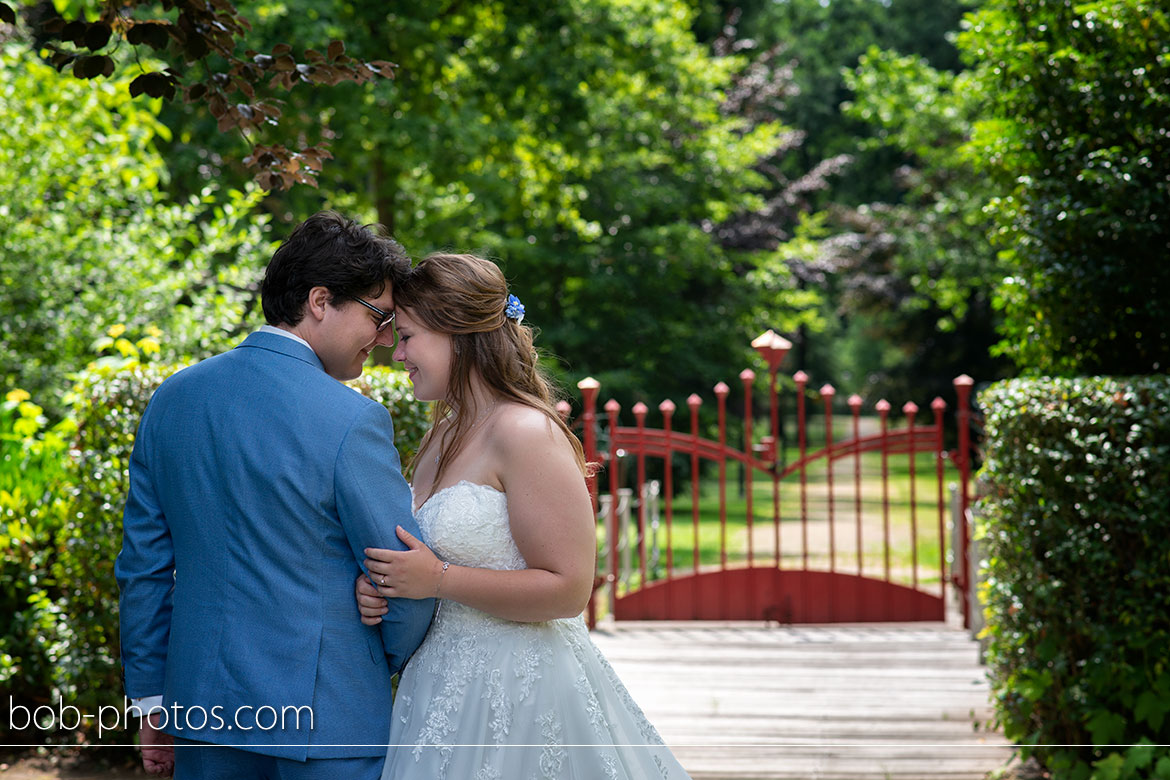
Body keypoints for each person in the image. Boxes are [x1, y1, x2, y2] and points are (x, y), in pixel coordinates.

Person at [115, 211, 434, 780]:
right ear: (319, 300)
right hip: (328, 717)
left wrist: (151, 701)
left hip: (199, 714)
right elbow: (403, 577)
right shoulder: (353, 419)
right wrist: (368, 659)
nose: (385, 338)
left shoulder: (173, 399)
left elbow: (143, 569)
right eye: (378, 316)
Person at [355, 253, 693, 779]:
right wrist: (386, 587)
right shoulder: (441, 433)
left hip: (519, 691)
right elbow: (423, 559)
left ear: (456, 334)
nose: (397, 355)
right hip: (438, 686)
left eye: (408, 337)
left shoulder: (525, 432)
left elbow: (568, 589)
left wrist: (438, 580)